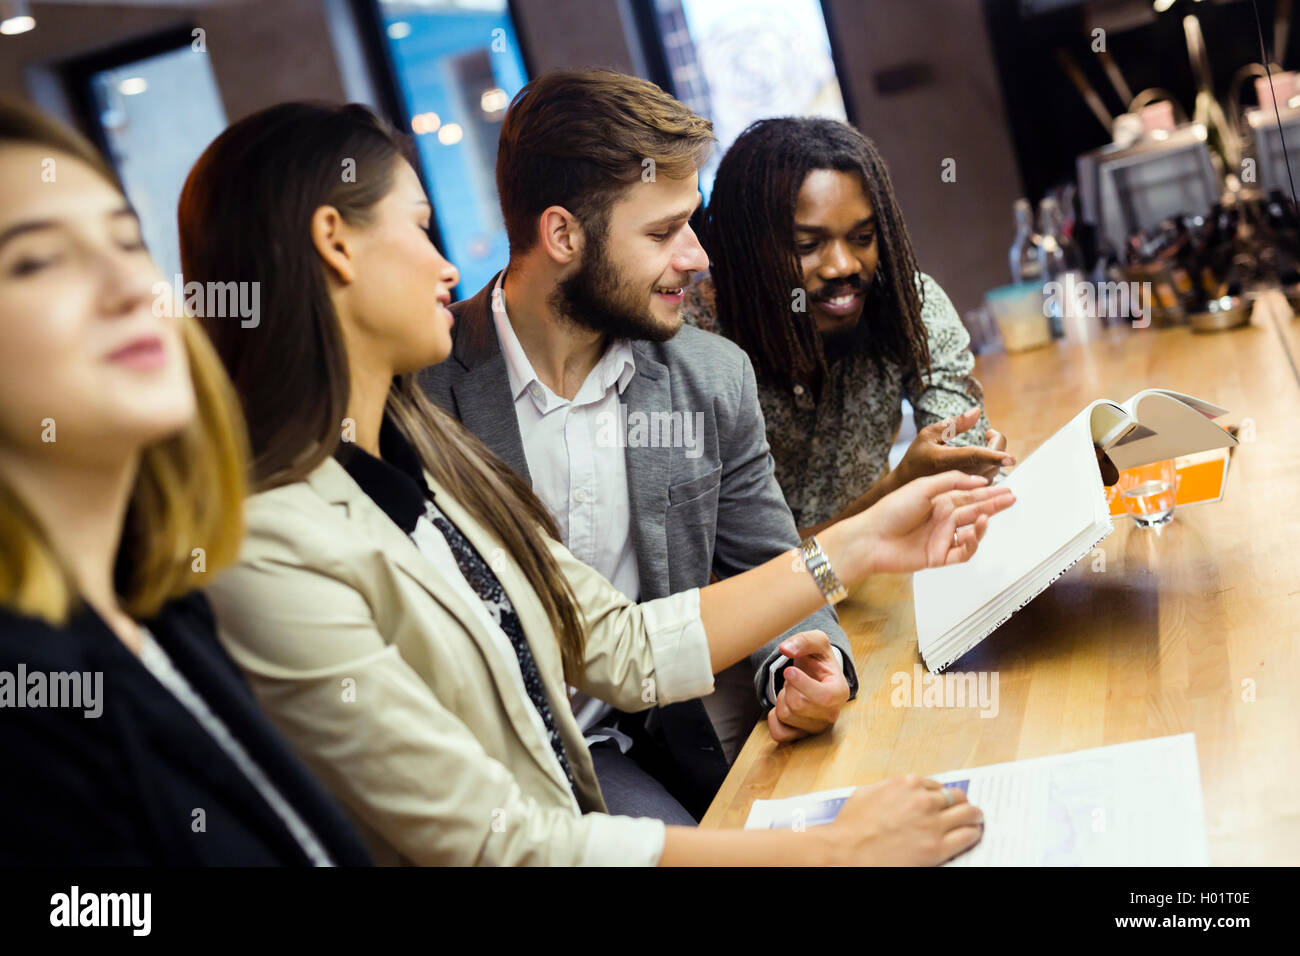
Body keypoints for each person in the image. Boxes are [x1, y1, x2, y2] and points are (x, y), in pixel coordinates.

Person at [185, 101, 1013, 866]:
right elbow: (495, 841)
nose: (447, 267)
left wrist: (860, 542)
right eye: (421, 229)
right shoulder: (273, 540)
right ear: (336, 242)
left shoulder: (424, 460)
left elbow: (618, 642)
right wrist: (829, 851)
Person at [421, 70, 854, 821]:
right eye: (661, 233)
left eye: (691, 222)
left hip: (647, 749)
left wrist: (811, 664)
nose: (697, 257)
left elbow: (770, 565)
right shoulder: (421, 391)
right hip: (493, 770)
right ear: (562, 235)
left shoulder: (711, 378)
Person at [0, 100, 372, 866]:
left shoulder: (165, 608)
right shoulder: (23, 706)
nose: (131, 287)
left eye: (128, 242)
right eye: (36, 261)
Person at [683, 118, 1015, 536]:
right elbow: (720, 581)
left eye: (862, 237)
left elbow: (958, 471)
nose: (844, 266)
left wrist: (982, 477)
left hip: (882, 585)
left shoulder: (908, 305)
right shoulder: (690, 348)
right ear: (745, 248)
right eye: (808, 245)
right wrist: (899, 490)